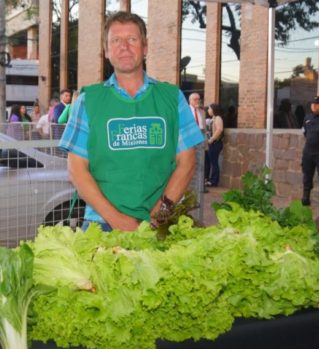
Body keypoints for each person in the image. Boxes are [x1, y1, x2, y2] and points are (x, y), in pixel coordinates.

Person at [59, 11, 202, 232]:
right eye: (116, 40)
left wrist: (158, 215)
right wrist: (117, 219)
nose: (124, 46)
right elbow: (76, 170)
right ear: (106, 51)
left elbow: (187, 163)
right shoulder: (88, 101)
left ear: (145, 48)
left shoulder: (172, 99)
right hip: (101, 224)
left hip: (160, 224)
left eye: (132, 39)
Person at [204, 103, 224, 189]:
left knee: (214, 162)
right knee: (209, 161)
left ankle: (214, 181)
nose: (208, 110)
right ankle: (208, 179)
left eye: (209, 109)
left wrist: (211, 139)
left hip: (215, 143)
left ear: (213, 109)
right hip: (211, 143)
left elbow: (219, 129)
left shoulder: (218, 118)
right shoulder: (213, 118)